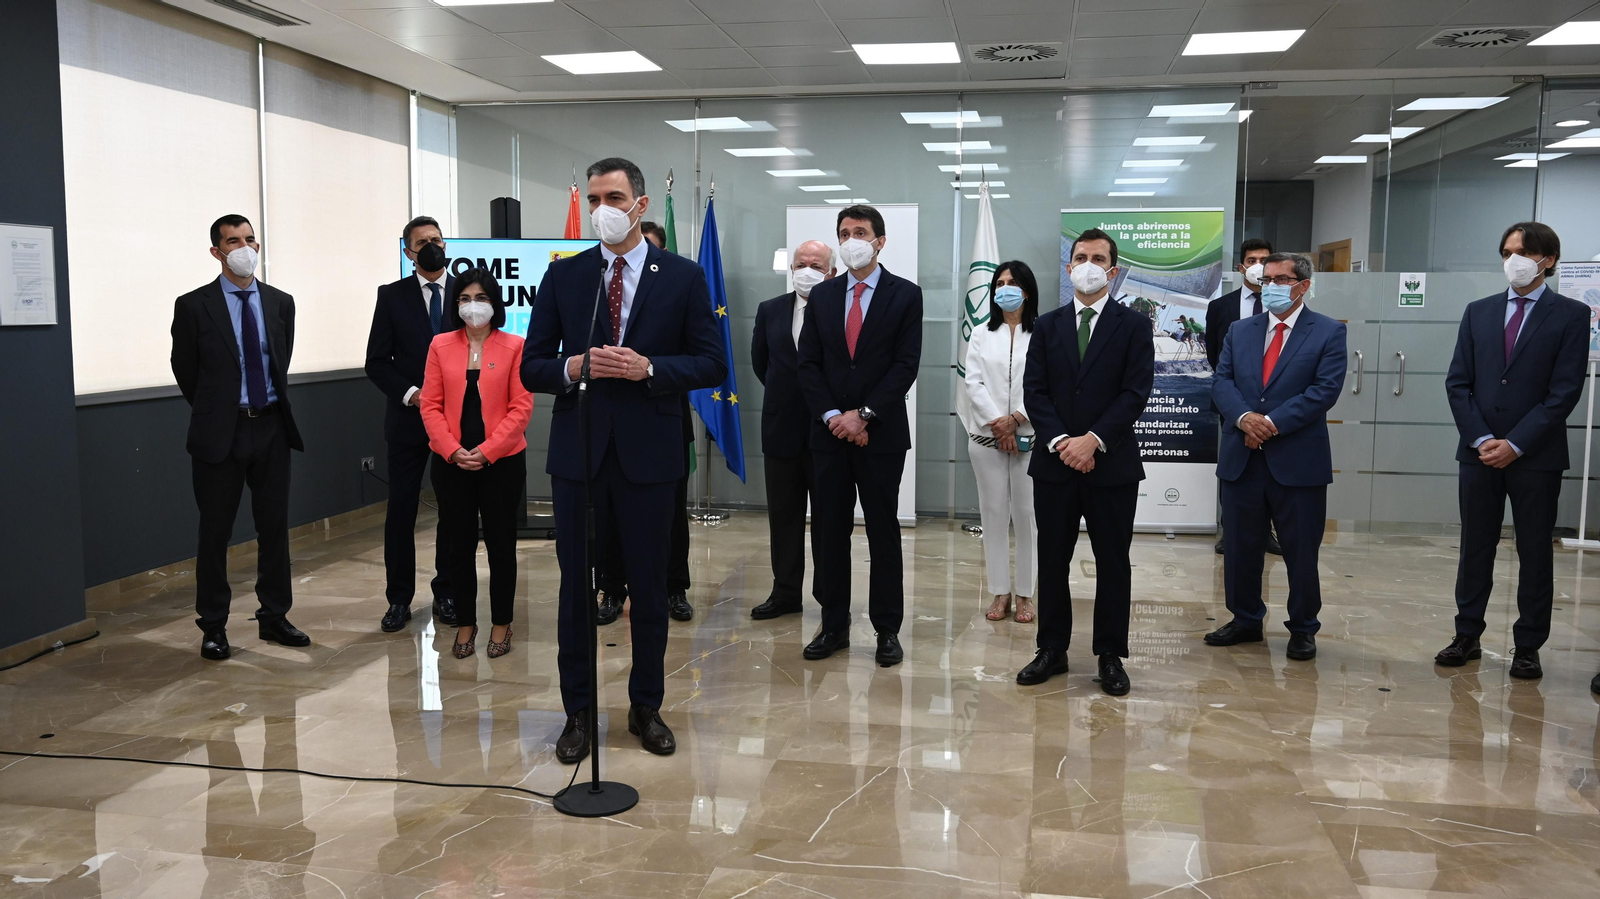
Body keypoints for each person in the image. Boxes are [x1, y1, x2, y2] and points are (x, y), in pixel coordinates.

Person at [522, 157, 725, 762]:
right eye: (593, 198)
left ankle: (646, 706)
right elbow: (533, 365)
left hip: (650, 457)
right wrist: (571, 366)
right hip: (579, 456)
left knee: (650, 591)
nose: (601, 209)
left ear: (640, 203)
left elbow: (712, 362)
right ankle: (578, 713)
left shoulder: (683, 276)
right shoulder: (565, 275)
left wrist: (650, 368)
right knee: (575, 593)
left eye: (612, 197)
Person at [1438, 222, 1587, 680]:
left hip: (1536, 455)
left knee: (1534, 550)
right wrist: (1483, 439)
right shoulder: (1478, 312)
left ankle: (1528, 645)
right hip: (1479, 453)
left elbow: (1564, 392)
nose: (1513, 261)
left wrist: (1517, 443)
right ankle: (1467, 634)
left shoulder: (1571, 315)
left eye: (1522, 252)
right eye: (1506, 252)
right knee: (1475, 547)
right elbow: (1458, 383)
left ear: (1548, 259)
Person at [1014, 228, 1153, 696]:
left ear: (1112, 271)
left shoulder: (1134, 326)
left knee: (1113, 561)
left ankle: (1110, 654)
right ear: (1069, 266)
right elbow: (1035, 391)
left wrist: (1092, 441)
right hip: (1055, 464)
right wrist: (1062, 443)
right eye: (1080, 257)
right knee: (1053, 559)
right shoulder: (1048, 325)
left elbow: (1135, 393)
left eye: (1098, 258)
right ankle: (1051, 648)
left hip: (1111, 464)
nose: (1088, 265)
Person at [170, 214, 308, 660]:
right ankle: (213, 625)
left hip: (271, 426)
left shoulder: (281, 302)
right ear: (217, 251)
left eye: (250, 239)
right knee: (215, 533)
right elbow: (186, 371)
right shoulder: (193, 306)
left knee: (275, 528)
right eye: (233, 241)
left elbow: (280, 361)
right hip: (221, 432)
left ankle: (274, 616)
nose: (244, 248)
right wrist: (217, 409)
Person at [796, 204, 923, 666]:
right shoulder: (824, 295)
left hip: (881, 436)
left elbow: (905, 365)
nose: (853, 240)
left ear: (880, 241)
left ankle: (887, 630)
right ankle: (834, 625)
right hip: (829, 435)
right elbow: (808, 363)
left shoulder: (905, 295)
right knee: (830, 532)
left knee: (883, 532)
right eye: (845, 232)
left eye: (861, 232)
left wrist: (864, 416)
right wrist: (836, 417)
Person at [1205, 253, 1347, 661]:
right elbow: (1222, 381)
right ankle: (1245, 619)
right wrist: (1245, 418)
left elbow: (1323, 391)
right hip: (1242, 458)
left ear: (1303, 285)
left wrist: (1269, 423)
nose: (1271, 286)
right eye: (1267, 279)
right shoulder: (1240, 330)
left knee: (1301, 551)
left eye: (1281, 279)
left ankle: (1303, 627)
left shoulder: (1328, 331)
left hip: (1297, 461)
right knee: (1240, 548)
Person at [420, 269, 532, 660]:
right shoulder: (440, 345)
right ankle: (466, 622)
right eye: (465, 298)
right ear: (456, 305)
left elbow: (521, 407)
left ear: (494, 302)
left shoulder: (515, 345)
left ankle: (502, 622)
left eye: (481, 298)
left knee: (501, 544)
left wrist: (488, 450)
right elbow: (430, 405)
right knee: (458, 546)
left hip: (501, 462)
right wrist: (452, 450)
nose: (473, 306)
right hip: (451, 462)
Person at [366, 215, 457, 634]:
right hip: (408, 420)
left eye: (437, 239)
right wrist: (414, 394)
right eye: (422, 243)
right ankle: (399, 599)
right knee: (402, 510)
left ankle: (447, 592)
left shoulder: (466, 292)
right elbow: (376, 363)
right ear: (409, 252)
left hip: (456, 422)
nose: (432, 247)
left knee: (452, 510)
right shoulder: (392, 296)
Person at [749, 240, 834, 620]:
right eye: (801, 264)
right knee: (783, 517)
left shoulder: (840, 310)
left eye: (816, 265)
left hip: (828, 433)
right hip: (781, 429)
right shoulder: (770, 310)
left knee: (828, 521)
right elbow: (761, 363)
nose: (807, 271)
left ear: (831, 272)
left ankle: (829, 595)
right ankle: (785, 592)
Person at [964, 260, 1039, 624]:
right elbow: (973, 383)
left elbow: (1045, 384)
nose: (1005, 289)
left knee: (1027, 516)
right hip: (987, 437)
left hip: (1030, 438)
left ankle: (1025, 593)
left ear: (1027, 290)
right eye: (999, 283)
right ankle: (1000, 591)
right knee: (993, 514)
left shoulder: (1043, 332)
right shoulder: (981, 333)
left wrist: (1017, 419)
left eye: (1012, 283)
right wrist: (999, 424)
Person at [1206, 238, 1280, 556]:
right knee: (1234, 465)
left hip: (1276, 406)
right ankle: (1231, 530)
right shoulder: (1220, 307)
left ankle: (1266, 532)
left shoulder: (1283, 304)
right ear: (1241, 267)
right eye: (1252, 260)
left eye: (1265, 260)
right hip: (1233, 405)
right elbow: (1214, 357)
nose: (1258, 266)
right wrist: (1241, 408)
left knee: (1273, 466)